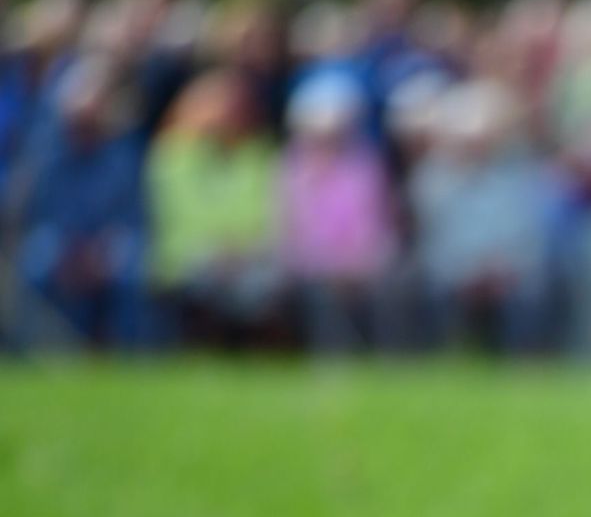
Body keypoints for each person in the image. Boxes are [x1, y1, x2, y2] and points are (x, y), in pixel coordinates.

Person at [11, 55, 149, 349]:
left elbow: (131, 216)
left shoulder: (123, 156)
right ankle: (38, 350)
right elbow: (33, 213)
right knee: (36, 260)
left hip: (105, 244)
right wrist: (71, 250)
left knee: (131, 266)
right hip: (58, 240)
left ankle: (130, 352)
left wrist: (98, 251)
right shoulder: (42, 156)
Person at [408, 78, 555, 352]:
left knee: (531, 292)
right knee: (431, 290)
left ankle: (525, 361)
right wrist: (467, 272)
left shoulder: (518, 175)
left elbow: (524, 233)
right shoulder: (432, 179)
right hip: (454, 273)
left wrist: (499, 269)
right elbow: (436, 240)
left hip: (507, 272)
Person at [147, 70, 280, 347]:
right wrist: (217, 248)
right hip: (189, 255)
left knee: (262, 284)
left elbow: (265, 214)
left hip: (246, 255)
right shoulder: (172, 157)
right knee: (209, 280)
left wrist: (239, 248)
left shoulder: (258, 156)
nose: (222, 117)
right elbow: (178, 217)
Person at [279, 73, 398, 352]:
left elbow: (375, 221)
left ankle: (389, 355)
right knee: (322, 294)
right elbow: (291, 227)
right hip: (311, 262)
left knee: (392, 285)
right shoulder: (291, 169)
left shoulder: (365, 164)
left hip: (361, 261)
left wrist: (356, 262)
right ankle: (331, 353)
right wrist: (327, 264)